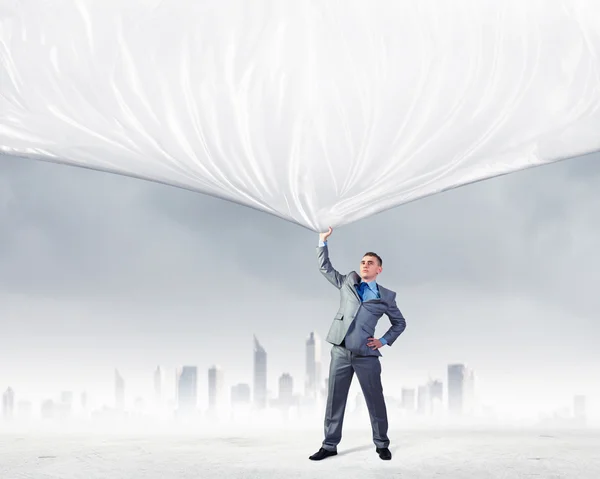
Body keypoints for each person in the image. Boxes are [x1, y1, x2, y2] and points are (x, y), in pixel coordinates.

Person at [309, 226, 407, 461]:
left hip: (366, 354)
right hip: (341, 351)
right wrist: (322, 241)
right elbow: (325, 268)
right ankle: (329, 445)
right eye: (363, 261)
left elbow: (400, 323)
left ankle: (382, 443)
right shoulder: (347, 282)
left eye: (370, 262)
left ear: (378, 269)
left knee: (375, 400)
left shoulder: (387, 297)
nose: (364, 265)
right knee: (335, 400)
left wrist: (382, 341)